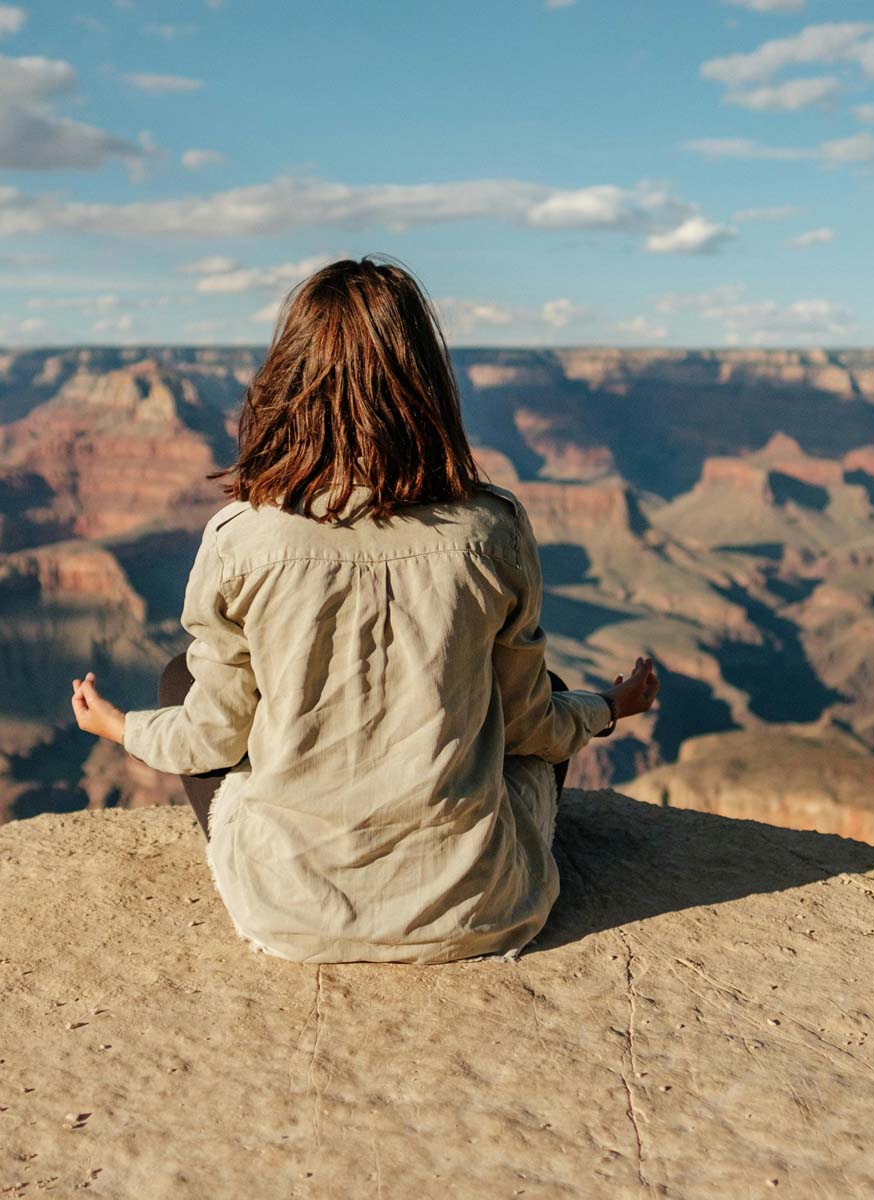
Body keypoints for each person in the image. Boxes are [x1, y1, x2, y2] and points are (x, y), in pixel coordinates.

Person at [68, 255, 659, 965]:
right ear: (426, 383)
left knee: (179, 683)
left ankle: (299, 875)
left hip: (288, 915)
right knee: (551, 691)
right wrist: (607, 707)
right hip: (478, 912)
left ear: (288, 382)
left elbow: (213, 740)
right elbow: (532, 725)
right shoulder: (491, 529)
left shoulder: (241, 537)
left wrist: (119, 727)